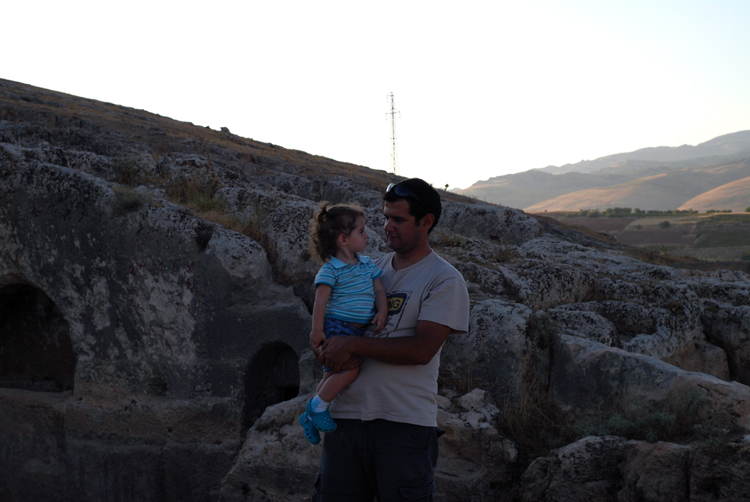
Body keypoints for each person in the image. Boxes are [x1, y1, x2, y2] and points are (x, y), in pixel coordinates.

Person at [312, 178, 471, 502]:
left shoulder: (444, 279)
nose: (387, 227)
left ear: (426, 221)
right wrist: (327, 347)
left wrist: (351, 345)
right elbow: (332, 331)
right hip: (344, 421)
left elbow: (421, 350)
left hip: (403, 426)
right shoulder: (367, 269)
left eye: (398, 219)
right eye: (385, 217)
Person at [299, 202, 389, 445]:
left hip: (356, 331)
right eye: (361, 231)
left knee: (332, 372)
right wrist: (317, 330)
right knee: (350, 370)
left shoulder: (368, 264)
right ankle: (318, 406)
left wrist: (382, 311)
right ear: (343, 239)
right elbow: (320, 302)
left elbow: (379, 291)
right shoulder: (331, 270)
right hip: (337, 327)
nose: (367, 235)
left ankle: (310, 415)